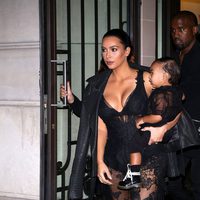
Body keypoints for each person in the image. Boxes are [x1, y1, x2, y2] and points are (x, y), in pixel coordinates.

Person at [62, 29, 178, 200]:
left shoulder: (147, 78)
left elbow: (176, 103)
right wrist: (100, 161)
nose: (107, 55)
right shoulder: (97, 85)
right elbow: (101, 129)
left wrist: (164, 128)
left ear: (127, 51)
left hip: (147, 154)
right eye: (104, 49)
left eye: (113, 49)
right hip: (113, 158)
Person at [118, 57, 183, 191]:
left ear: (165, 75)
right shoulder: (176, 91)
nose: (149, 77)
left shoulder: (160, 94)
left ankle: (133, 175)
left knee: (133, 143)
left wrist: (142, 120)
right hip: (168, 133)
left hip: (155, 129)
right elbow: (183, 98)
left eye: (152, 73)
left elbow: (157, 117)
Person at [166, 10, 200, 200]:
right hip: (177, 126)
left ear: (194, 30)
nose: (176, 34)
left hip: (197, 127)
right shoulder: (174, 57)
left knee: (197, 182)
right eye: (173, 30)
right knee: (173, 179)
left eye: (181, 29)